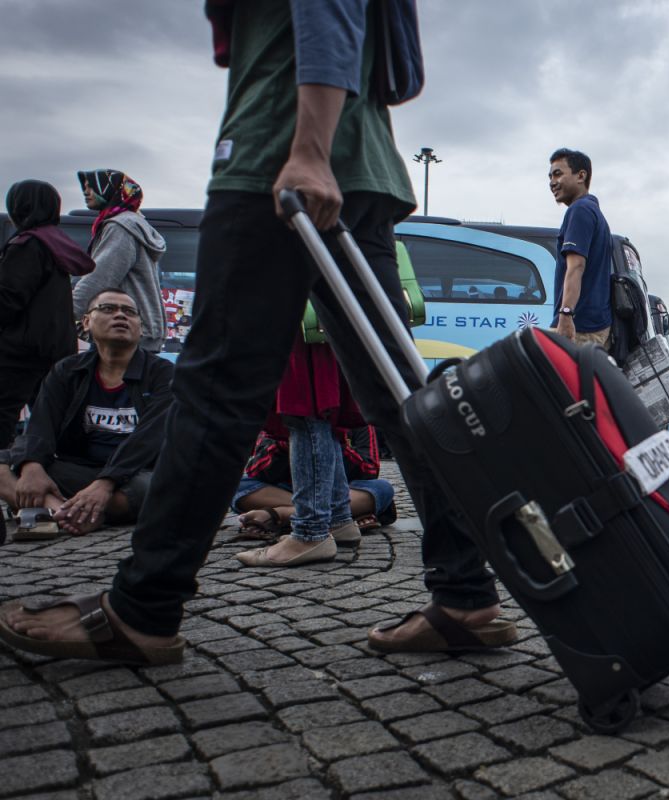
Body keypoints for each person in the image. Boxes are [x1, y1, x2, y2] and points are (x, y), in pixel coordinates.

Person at [0, 2, 515, 665]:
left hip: (280, 159)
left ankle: (142, 609)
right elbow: (396, 71)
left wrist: (308, 148)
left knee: (215, 392)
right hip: (359, 163)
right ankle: (466, 593)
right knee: (403, 401)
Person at [0, 289, 173, 540]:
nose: (120, 316)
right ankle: (69, 512)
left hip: (138, 472)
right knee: (5, 465)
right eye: (107, 309)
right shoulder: (67, 371)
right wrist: (31, 466)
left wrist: (105, 484)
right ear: (86, 323)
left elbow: (151, 438)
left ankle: (46, 509)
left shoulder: (163, 374)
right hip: (79, 469)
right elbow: (41, 425)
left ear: (141, 328)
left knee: (154, 489)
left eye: (129, 312)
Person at [234, 335, 368, 566]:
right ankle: (338, 519)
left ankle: (310, 532)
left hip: (305, 326)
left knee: (304, 410)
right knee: (317, 413)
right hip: (318, 327)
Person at [0, 180, 95, 448]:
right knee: (53, 416)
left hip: (21, 349)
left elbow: (8, 298)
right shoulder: (56, 244)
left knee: (4, 412)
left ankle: (4, 474)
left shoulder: (26, 244)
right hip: (56, 348)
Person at [233, 423, 397, 541]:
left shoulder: (356, 418)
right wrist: (283, 447)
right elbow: (255, 469)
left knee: (382, 489)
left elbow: (370, 469)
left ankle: (278, 514)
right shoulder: (278, 418)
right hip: (287, 490)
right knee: (236, 487)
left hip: (338, 490)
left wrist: (327, 444)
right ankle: (346, 514)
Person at [72, 170, 167, 352]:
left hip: (123, 334)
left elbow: (98, 279)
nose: (85, 192)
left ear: (110, 190)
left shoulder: (120, 227)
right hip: (132, 329)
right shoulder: (130, 223)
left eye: (91, 187)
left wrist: (59, 313)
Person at [548, 148, 613, 347]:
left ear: (580, 175)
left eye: (558, 173)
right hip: (590, 325)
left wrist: (566, 315)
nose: (552, 182)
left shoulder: (580, 210)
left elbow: (576, 266)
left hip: (579, 326)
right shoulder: (592, 211)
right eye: (550, 176)